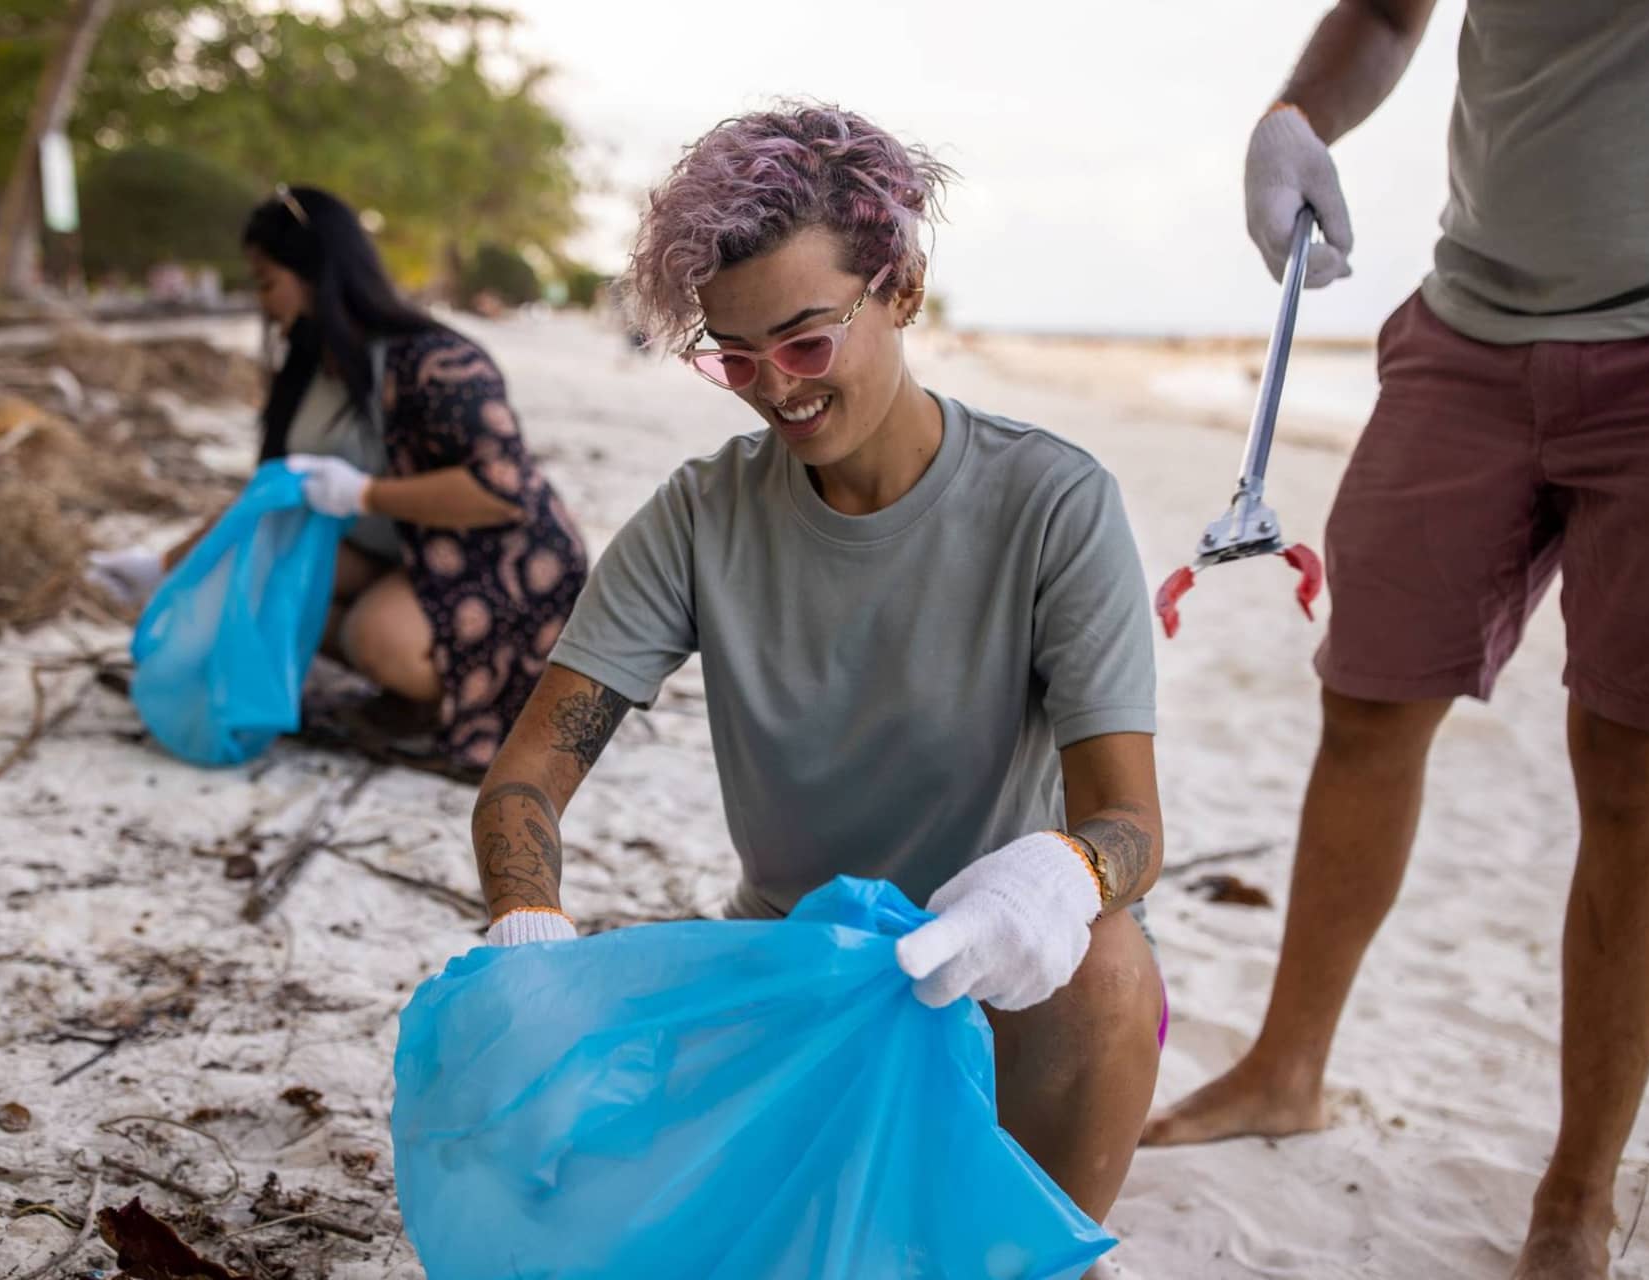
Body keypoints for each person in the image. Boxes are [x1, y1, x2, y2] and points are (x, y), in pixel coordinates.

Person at [466, 104, 1169, 1224]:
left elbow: (1127, 824)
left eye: (804, 341)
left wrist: (1053, 881)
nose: (776, 387)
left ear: (902, 289)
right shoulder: (701, 518)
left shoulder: (1054, 504)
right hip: (795, 971)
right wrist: (528, 936)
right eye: (733, 357)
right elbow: (526, 777)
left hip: (1002, 974)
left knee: (1106, 962)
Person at [1141, 5, 1649, 1278]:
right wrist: (1292, 118)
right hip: (1469, 324)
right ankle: (1284, 1069)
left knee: (1634, 763)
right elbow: (1390, 11)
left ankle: (1575, 1192)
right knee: (1365, 699)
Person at [88, 186, 589, 776]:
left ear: (316, 273)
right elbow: (266, 499)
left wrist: (363, 494)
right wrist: (164, 567)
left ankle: (450, 700)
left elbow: (503, 492)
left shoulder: (435, 360)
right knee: (260, 567)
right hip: (410, 549)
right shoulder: (310, 367)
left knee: (376, 636)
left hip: (506, 560)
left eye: (267, 282)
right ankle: (407, 680)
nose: (262, 302)